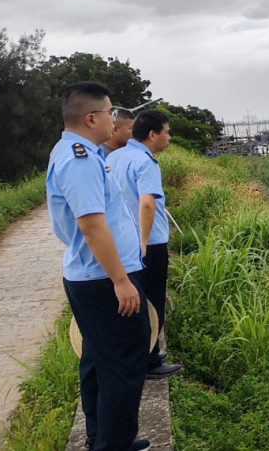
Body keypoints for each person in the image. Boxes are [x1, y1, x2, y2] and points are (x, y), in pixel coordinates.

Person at [46, 82, 150, 451]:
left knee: (98, 360)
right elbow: (91, 225)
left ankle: (103, 440)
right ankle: (113, 444)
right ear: (92, 118)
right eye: (110, 113)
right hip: (103, 279)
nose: (115, 119)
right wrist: (121, 281)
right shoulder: (80, 158)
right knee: (125, 364)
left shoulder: (76, 152)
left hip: (94, 275)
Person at [108, 109, 183, 380]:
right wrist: (144, 239)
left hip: (120, 240)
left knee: (134, 301)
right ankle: (149, 360)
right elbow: (147, 202)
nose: (169, 138)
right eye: (167, 132)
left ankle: (141, 353)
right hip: (148, 242)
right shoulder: (145, 162)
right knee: (151, 300)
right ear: (152, 135)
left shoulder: (113, 157)